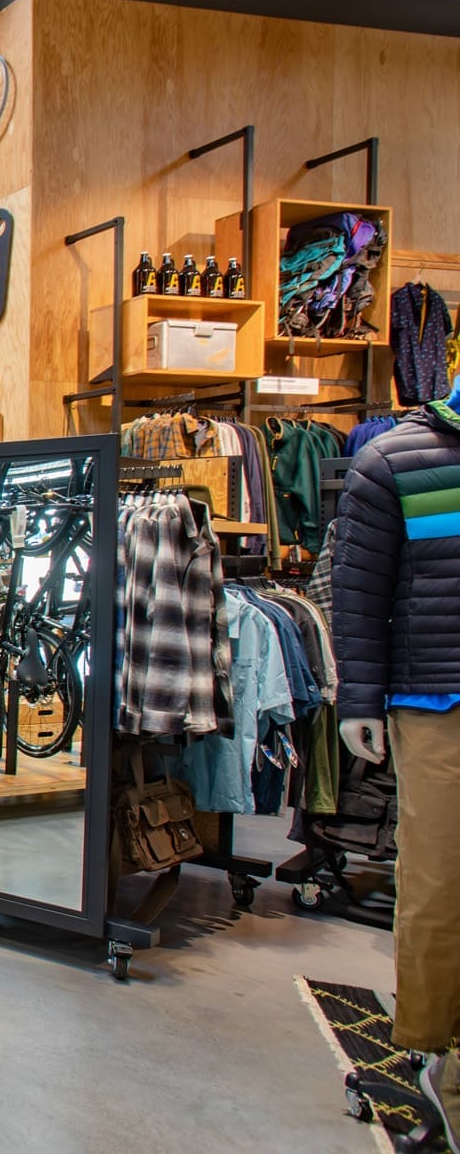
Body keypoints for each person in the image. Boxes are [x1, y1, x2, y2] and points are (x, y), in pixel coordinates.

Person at [331, 380, 460, 1143]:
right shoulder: (395, 460)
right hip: (436, 700)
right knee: (439, 880)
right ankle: (426, 1037)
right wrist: (360, 702)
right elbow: (358, 593)